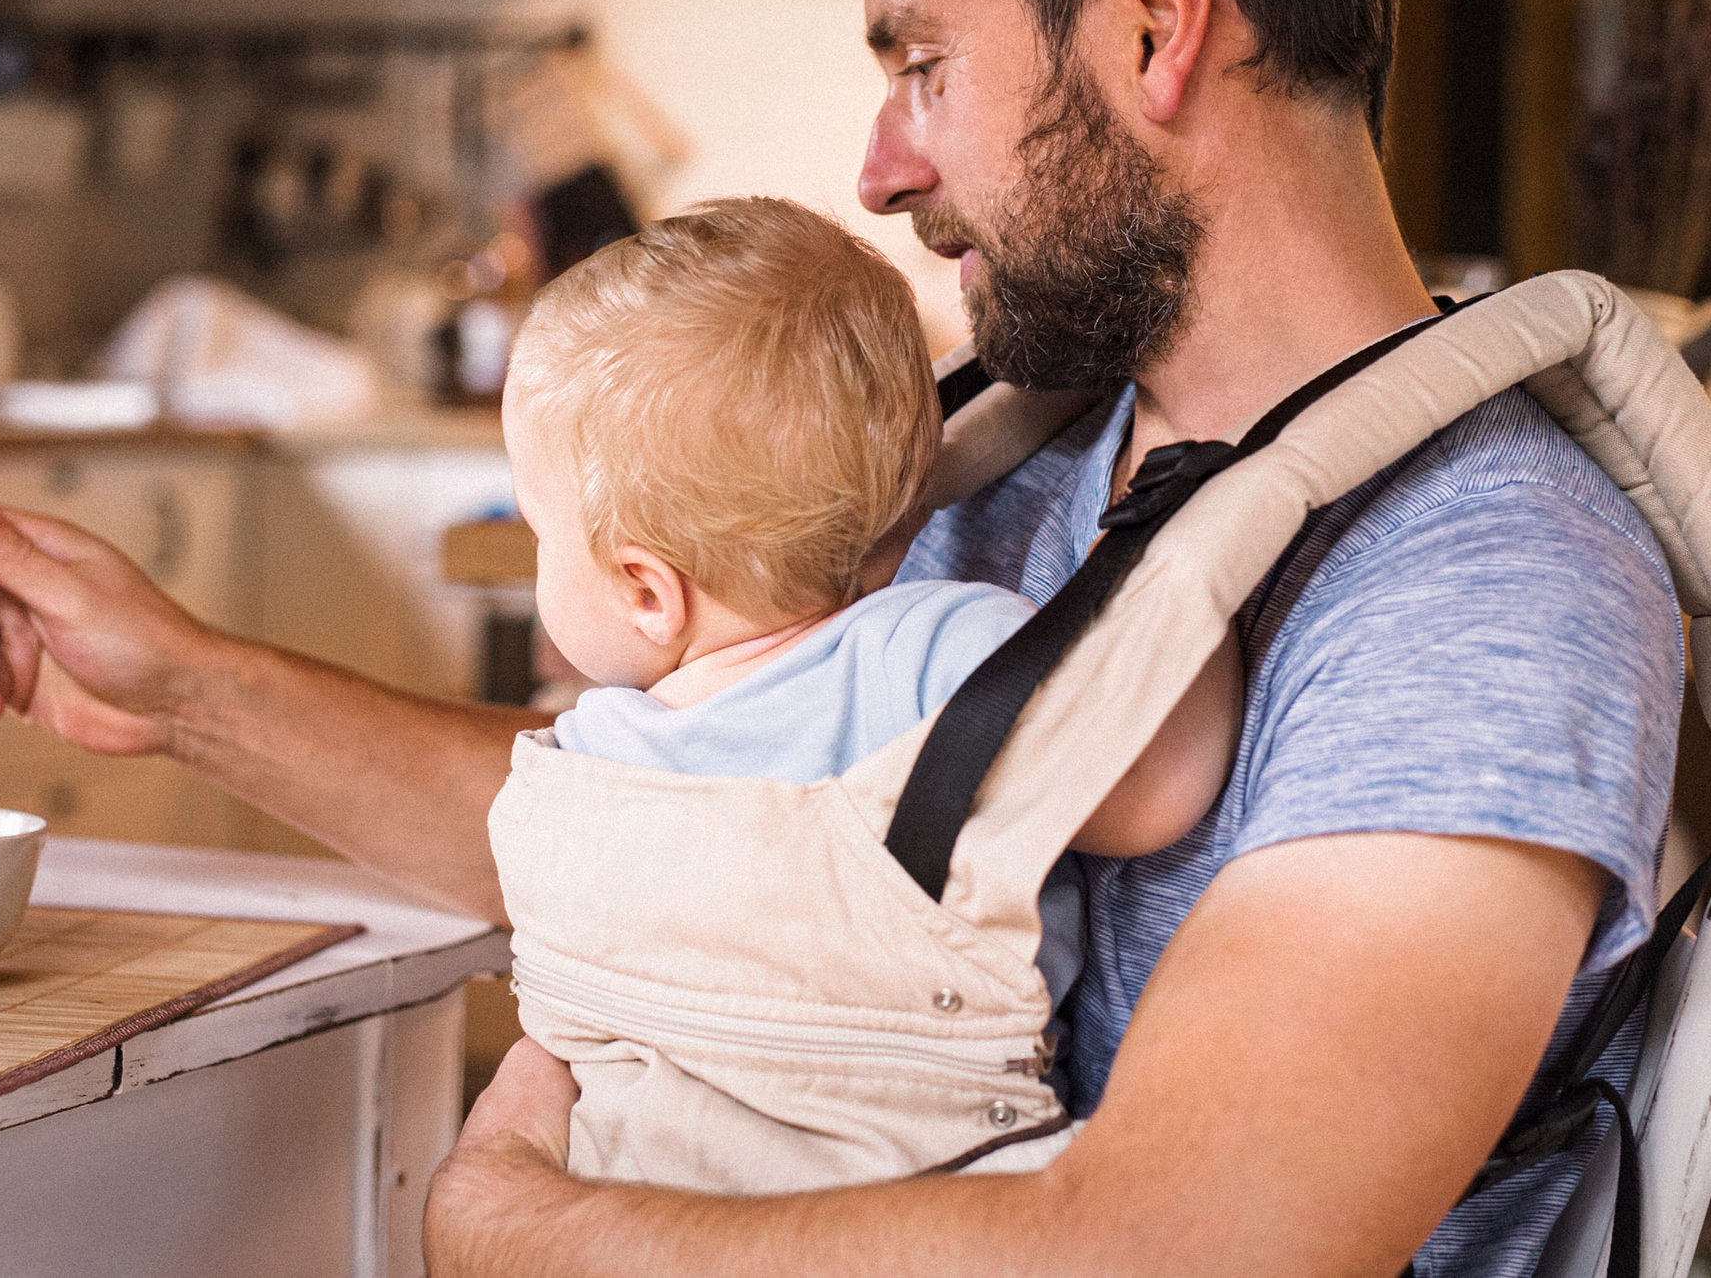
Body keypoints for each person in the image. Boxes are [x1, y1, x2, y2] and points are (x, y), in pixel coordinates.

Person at [0, 0, 1681, 1277]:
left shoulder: (1479, 581)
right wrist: (190, 691)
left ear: (1155, 27)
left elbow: (1182, 1247)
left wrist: (527, 1222)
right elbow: (712, 827)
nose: (881, 169)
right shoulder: (1022, 459)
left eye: (923, 62)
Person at [493, 194, 1234, 1187]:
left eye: (543, 533)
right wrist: (1185, 555)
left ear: (645, 589)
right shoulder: (934, 651)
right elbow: (1158, 786)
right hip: (919, 1190)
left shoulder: (594, 754)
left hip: (640, 1188)